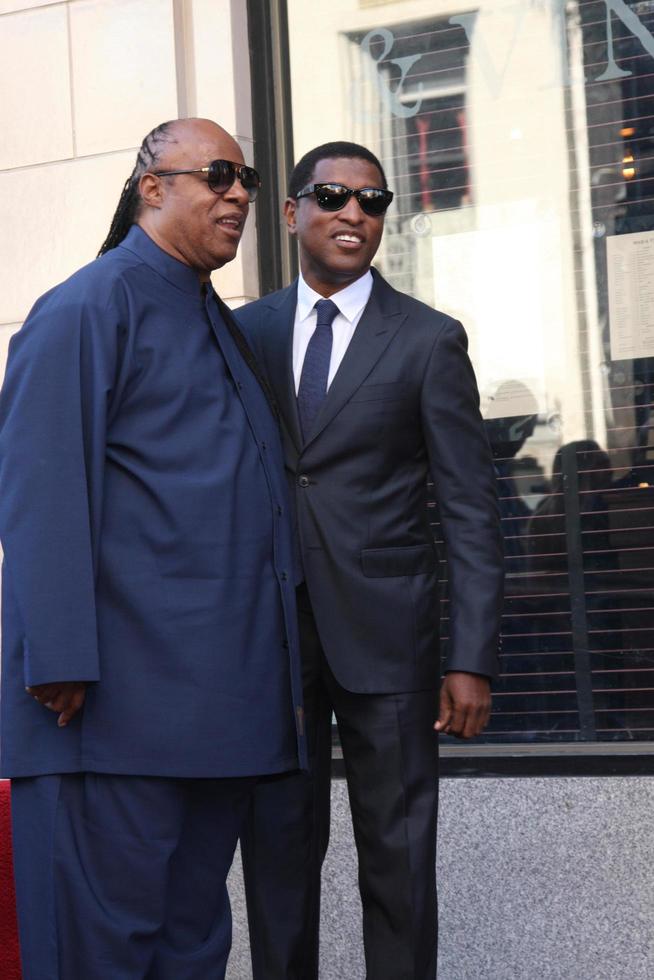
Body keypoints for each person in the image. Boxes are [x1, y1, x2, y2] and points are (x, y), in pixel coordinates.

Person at [0, 117, 306, 980]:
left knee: (192, 948)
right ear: (152, 188)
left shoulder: (215, 318)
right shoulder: (89, 306)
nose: (239, 192)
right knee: (101, 953)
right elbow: (38, 486)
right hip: (105, 715)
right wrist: (56, 655)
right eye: (216, 174)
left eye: (244, 176)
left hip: (214, 716)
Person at [235, 142, 504, 980]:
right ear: (292, 213)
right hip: (272, 639)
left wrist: (470, 659)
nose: (354, 212)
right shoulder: (243, 334)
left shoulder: (427, 341)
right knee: (278, 857)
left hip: (390, 641)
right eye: (332, 195)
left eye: (373, 200)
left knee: (399, 858)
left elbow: (469, 508)